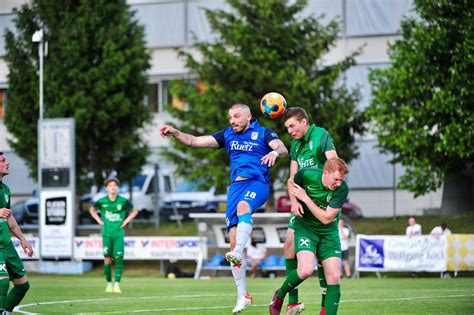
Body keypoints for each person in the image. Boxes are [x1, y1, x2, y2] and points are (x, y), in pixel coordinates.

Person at [160, 103, 288, 313]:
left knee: (244, 207)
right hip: (235, 188)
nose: (232, 120)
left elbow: (282, 148)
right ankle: (242, 295)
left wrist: (274, 152)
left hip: (257, 184)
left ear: (248, 116)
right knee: (233, 244)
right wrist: (175, 132)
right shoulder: (227, 135)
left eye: (236, 116)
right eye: (230, 117)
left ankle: (238, 251)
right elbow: (194, 141)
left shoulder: (263, 133)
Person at [270, 158, 349, 315]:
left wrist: (305, 198)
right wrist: (294, 202)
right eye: (336, 179)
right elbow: (291, 183)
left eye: (341, 180)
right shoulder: (306, 174)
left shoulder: (342, 189)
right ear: (325, 173)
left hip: (328, 233)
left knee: (334, 277)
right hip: (305, 228)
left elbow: (326, 218)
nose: (338, 183)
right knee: (305, 270)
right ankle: (280, 294)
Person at [283, 107, 338, 315]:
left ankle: (325, 308)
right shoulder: (295, 144)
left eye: (292, 125)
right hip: (302, 205)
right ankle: (293, 303)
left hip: (322, 205)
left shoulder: (321, 135)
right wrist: (293, 202)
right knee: (288, 245)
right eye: (287, 127)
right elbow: (291, 178)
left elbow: (335, 166)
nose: (289, 130)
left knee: (323, 258)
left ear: (304, 121)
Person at [89, 178, 138, 293]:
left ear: (117, 187)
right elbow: (92, 210)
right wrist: (99, 220)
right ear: (107, 188)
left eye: (114, 185)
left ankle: (117, 284)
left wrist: (126, 221)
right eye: (110, 185)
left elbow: (135, 211)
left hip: (118, 234)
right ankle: (109, 284)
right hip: (106, 234)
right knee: (107, 260)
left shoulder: (123, 201)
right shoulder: (101, 201)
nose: (113, 187)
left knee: (119, 258)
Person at [0, 152, 33, 314]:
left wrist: (22, 239)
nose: (7, 163)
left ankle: (5, 312)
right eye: (3, 160)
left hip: (7, 245)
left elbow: (9, 217)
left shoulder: (5, 189)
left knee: (22, 286)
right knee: (3, 283)